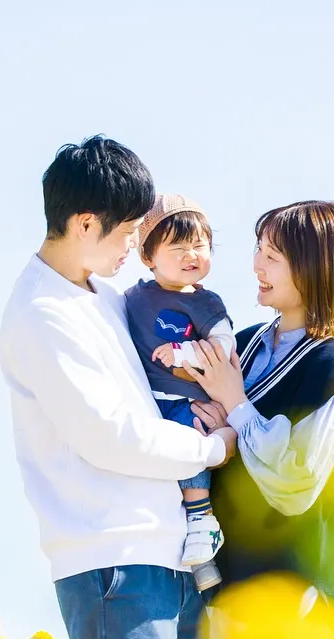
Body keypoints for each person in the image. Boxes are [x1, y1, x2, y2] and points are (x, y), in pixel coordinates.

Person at [0, 136, 237, 639]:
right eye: (129, 231)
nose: (135, 244)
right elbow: (110, 436)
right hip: (113, 565)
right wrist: (215, 447)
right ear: (85, 223)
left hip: (170, 555)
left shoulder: (103, 297)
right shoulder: (42, 314)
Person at [189, 200, 334, 625]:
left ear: (316, 269)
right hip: (224, 590)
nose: (257, 265)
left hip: (297, 604)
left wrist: (235, 407)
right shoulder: (244, 344)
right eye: (259, 250)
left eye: (272, 257)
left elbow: (295, 480)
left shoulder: (333, 365)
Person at [124, 194, 237, 591]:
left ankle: (204, 530)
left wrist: (183, 352)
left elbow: (224, 346)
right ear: (148, 255)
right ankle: (197, 552)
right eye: (178, 247)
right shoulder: (133, 298)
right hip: (147, 402)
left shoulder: (205, 302)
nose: (192, 255)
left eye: (200, 245)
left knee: (192, 469)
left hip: (187, 402)